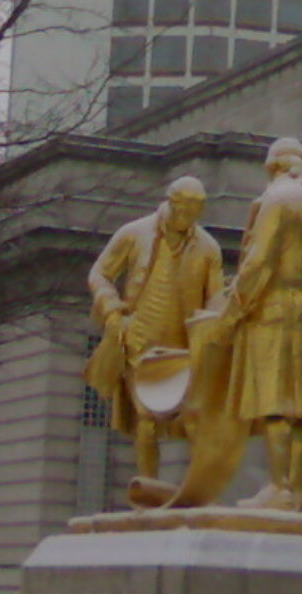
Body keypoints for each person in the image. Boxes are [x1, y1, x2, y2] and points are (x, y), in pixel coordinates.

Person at [215, 138, 302, 511]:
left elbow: (259, 264)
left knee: (276, 404)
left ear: (272, 166)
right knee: (301, 413)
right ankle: (297, 493)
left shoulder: (277, 201)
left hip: (272, 309)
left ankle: (279, 487)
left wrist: (232, 311)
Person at [85, 176, 224, 479]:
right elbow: (100, 273)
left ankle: (196, 490)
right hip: (140, 341)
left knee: (198, 420)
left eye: (194, 213)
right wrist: (112, 310)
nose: (187, 219)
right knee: (146, 420)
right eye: (183, 211)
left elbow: (215, 294)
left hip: (184, 347)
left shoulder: (208, 247)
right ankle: (148, 488)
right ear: (171, 203)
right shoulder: (134, 233)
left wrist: (215, 322)